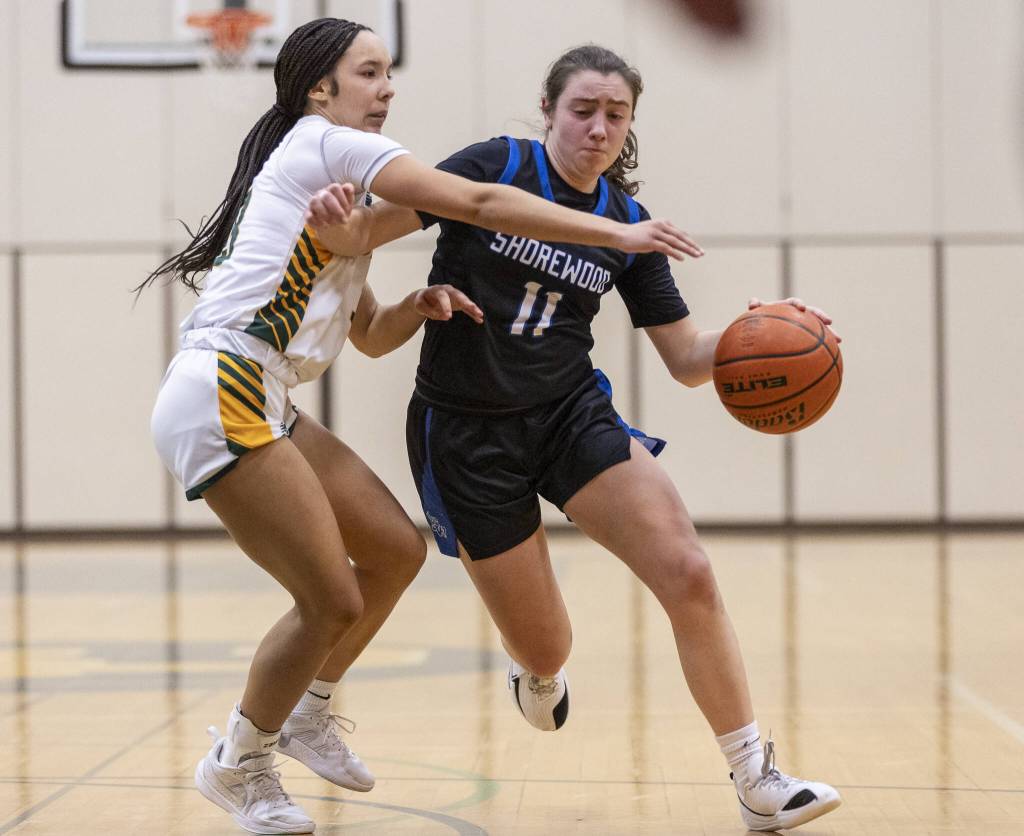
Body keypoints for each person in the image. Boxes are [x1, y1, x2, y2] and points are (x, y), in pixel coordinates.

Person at [143, 18, 698, 835]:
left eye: (389, 72)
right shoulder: (324, 143)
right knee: (329, 599)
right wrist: (619, 230)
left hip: (265, 395)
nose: (388, 87)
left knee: (396, 550)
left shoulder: (333, 187)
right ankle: (239, 760)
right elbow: (475, 199)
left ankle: (306, 713)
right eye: (370, 72)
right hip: (222, 384)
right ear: (320, 90)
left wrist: (420, 304)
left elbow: (366, 336)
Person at [305, 43, 843, 832]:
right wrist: (362, 254)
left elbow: (689, 359)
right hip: (465, 433)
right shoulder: (497, 166)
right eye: (583, 110)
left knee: (689, 571)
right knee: (548, 646)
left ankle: (755, 776)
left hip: (569, 415)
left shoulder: (625, 222)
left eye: (615, 115)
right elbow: (360, 236)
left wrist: (764, 330)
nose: (597, 128)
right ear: (551, 110)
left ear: (630, 128)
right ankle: (539, 672)